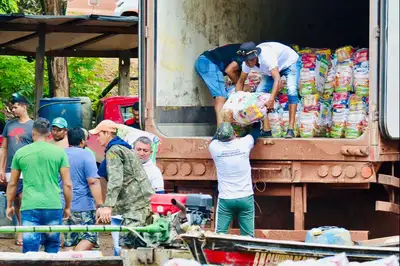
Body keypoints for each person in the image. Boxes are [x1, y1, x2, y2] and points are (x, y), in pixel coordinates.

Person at [6, 118, 73, 253]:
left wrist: (9, 205)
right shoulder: (59, 153)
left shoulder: (21, 153)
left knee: (30, 249)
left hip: (30, 207)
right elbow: (67, 184)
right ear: (49, 134)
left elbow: (13, 183)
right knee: (52, 247)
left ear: (33, 133)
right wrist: (67, 207)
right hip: (53, 205)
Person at [90, 120, 154, 252]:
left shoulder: (114, 151)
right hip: (142, 205)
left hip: (134, 208)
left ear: (107, 133)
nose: (97, 139)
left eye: (99, 134)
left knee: (126, 248)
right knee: (142, 249)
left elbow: (115, 180)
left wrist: (108, 206)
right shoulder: (124, 148)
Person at [236, 42, 300, 138]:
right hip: (271, 70)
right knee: (259, 93)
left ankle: (291, 129)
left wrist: (271, 99)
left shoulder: (266, 57)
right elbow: (240, 82)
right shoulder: (246, 64)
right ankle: (266, 129)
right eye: (246, 61)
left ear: (256, 56)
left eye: (251, 60)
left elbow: (277, 79)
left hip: (289, 63)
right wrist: (237, 101)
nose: (249, 63)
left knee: (292, 90)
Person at [209, 122, 258, 237]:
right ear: (235, 134)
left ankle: (220, 254)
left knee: (220, 235)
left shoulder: (214, 148)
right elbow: (256, 132)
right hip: (245, 197)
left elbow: (214, 138)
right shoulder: (244, 144)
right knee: (248, 237)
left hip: (226, 199)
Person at [0, 93, 33, 246]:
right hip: (10, 168)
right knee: (14, 200)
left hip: (28, 168)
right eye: (12, 107)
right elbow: (4, 148)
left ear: (24, 106)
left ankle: (24, 230)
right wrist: (1, 168)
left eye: (15, 107)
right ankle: (20, 226)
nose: (13, 110)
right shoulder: (9, 125)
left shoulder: (33, 125)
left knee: (24, 198)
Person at [63, 128, 103, 251]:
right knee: (90, 237)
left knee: (70, 240)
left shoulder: (61, 154)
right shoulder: (87, 154)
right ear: (82, 141)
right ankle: (75, 259)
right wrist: (100, 203)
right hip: (83, 205)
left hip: (64, 204)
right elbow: (93, 181)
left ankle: (69, 260)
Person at [195, 44, 244, 125]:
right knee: (221, 97)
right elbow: (229, 70)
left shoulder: (242, 49)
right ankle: (221, 130)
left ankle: (222, 129)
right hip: (208, 63)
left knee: (221, 96)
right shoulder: (245, 54)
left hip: (204, 61)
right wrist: (240, 84)